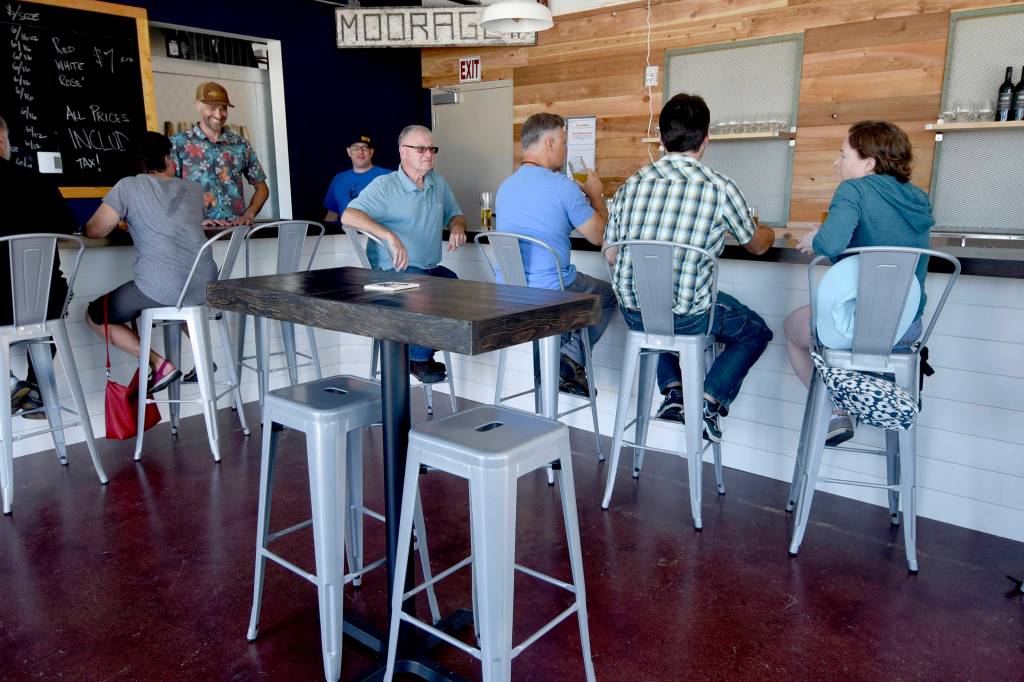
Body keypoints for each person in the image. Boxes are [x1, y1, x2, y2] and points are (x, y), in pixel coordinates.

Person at [605, 93, 776, 442]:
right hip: (689, 318)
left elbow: (610, 256)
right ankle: (707, 401)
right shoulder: (719, 187)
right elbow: (757, 246)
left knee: (658, 313)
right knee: (756, 332)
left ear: (661, 136)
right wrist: (769, 232)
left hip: (635, 315)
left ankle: (675, 391)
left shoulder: (630, 185)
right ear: (706, 138)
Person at [786, 120, 933, 446]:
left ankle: (839, 408)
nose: (836, 162)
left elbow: (831, 243)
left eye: (843, 155)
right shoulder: (919, 199)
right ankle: (856, 398)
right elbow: (874, 243)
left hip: (857, 328)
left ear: (868, 164)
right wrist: (829, 237)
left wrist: (816, 239)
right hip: (905, 330)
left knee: (791, 329)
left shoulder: (854, 189)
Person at [84, 132, 219, 394]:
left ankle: (159, 365)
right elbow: (178, 221)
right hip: (205, 285)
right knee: (182, 299)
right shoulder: (193, 189)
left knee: (94, 316)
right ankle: (204, 359)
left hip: (162, 288)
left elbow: (96, 230)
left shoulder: (128, 187)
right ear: (166, 158)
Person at [494, 112, 615, 396]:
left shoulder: (505, 187)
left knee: (550, 306)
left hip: (511, 292)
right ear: (549, 142)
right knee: (609, 295)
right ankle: (569, 360)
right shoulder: (563, 186)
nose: (566, 149)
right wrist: (596, 195)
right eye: (564, 142)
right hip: (552, 292)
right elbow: (600, 237)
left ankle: (551, 372)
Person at [342, 125, 467, 384]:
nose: (428, 154)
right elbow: (349, 215)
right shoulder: (385, 185)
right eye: (420, 149)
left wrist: (457, 226)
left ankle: (419, 351)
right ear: (403, 152)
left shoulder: (438, 182)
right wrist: (388, 235)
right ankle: (417, 358)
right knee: (428, 287)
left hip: (427, 269)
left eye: (431, 149)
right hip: (389, 273)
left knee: (458, 289)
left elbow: (456, 214)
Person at [0, 113, 75, 419]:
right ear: (2, 140)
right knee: (58, 290)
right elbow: (69, 230)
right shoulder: (39, 182)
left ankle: (11, 384)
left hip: (1, 309)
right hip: (45, 303)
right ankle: (36, 388)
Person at [170, 81, 269, 226]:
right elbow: (167, 191)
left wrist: (249, 214)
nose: (219, 115)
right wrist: (192, 220)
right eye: (213, 108)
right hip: (194, 232)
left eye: (223, 109)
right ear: (198, 105)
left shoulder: (240, 144)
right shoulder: (177, 144)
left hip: (235, 231)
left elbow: (262, 189)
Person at [323, 133, 390, 223]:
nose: (360, 151)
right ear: (349, 152)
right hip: (345, 232)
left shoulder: (389, 177)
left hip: (379, 231)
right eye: (355, 148)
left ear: (371, 152)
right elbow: (332, 214)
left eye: (365, 147)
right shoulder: (339, 179)